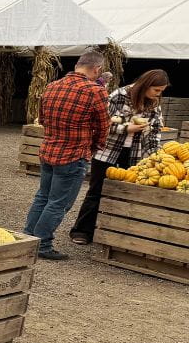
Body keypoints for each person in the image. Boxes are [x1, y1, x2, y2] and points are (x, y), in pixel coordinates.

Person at [23, 51, 110, 261]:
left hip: (48, 151)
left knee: (43, 197)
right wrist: (94, 147)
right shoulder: (95, 91)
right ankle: (43, 244)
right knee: (58, 203)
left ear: (78, 64)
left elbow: (43, 119)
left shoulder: (52, 86)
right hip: (73, 155)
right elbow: (103, 127)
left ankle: (27, 238)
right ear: (97, 69)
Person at [69, 70, 169, 244]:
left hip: (134, 153)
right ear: (146, 85)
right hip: (107, 151)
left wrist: (154, 157)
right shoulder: (119, 95)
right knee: (97, 190)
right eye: (157, 90)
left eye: (161, 91)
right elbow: (101, 122)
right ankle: (82, 231)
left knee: (124, 192)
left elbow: (155, 131)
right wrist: (126, 128)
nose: (158, 94)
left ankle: (111, 232)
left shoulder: (154, 103)